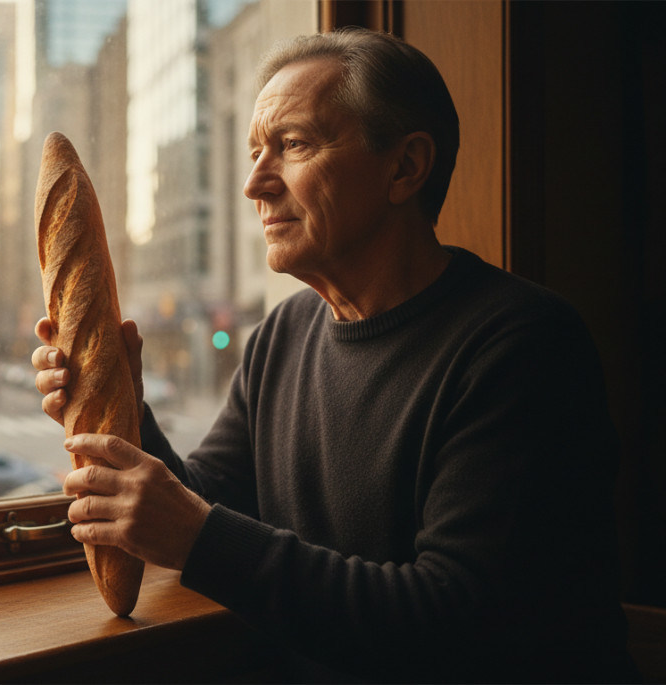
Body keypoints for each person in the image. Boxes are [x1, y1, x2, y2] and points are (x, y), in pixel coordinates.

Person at [31, 28, 636, 682]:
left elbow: (451, 616)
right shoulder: (280, 337)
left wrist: (199, 535)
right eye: (255, 151)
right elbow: (203, 502)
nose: (254, 185)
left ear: (404, 167)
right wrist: (130, 404)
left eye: (291, 145)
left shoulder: (522, 344)